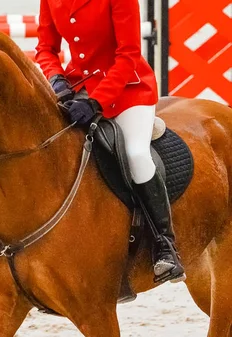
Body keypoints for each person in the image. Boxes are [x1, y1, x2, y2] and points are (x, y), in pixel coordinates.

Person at [35, 0, 186, 283]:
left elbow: (128, 55)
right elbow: (45, 48)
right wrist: (56, 79)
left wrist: (97, 101)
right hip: (78, 89)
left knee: (136, 155)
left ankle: (165, 246)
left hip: (127, 90)